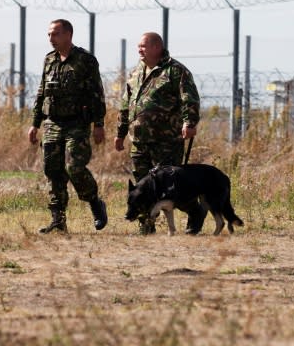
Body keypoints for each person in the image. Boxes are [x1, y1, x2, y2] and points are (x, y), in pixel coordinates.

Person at [114, 31, 206, 234]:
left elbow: (189, 98)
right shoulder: (136, 73)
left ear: (157, 47)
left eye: (143, 46)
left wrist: (189, 123)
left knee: (170, 188)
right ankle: (146, 225)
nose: (139, 49)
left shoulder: (175, 71)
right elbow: (126, 105)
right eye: (138, 46)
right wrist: (120, 133)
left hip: (166, 140)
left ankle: (195, 211)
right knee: (142, 186)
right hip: (139, 140)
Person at [28, 19, 107, 234]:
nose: (51, 39)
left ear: (68, 35)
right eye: (49, 35)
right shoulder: (49, 60)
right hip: (52, 122)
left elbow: (96, 94)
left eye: (55, 34)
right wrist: (35, 124)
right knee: (52, 170)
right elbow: (41, 92)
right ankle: (58, 219)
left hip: (77, 123)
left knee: (74, 167)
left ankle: (94, 203)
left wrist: (98, 124)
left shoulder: (85, 60)